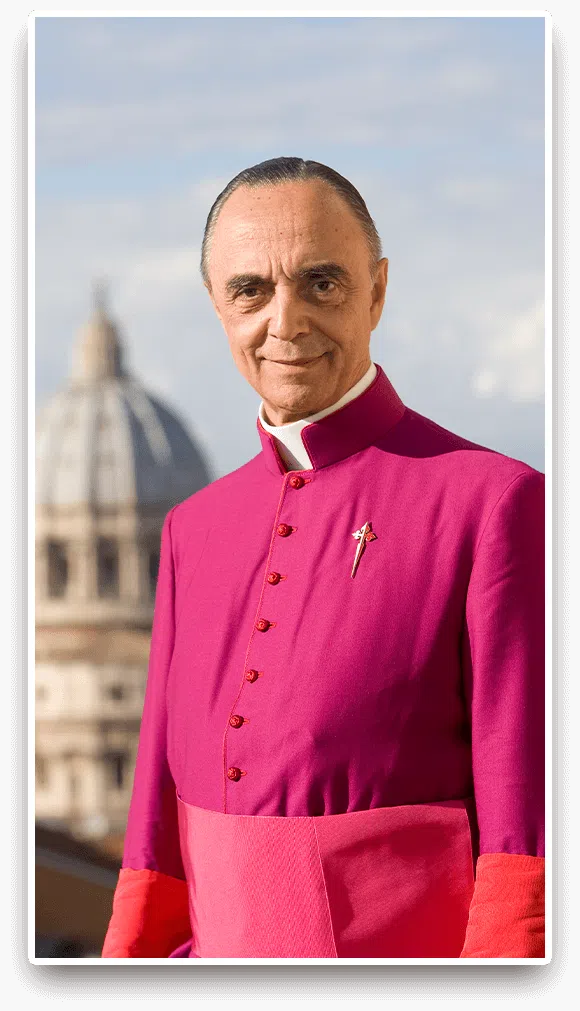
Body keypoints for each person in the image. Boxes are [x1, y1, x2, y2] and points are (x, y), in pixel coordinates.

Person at [102, 157, 545, 960]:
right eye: (250, 290)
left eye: (322, 283)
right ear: (216, 304)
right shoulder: (191, 530)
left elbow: (527, 832)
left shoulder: (496, 503)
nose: (287, 321)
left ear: (377, 290)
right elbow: (153, 843)